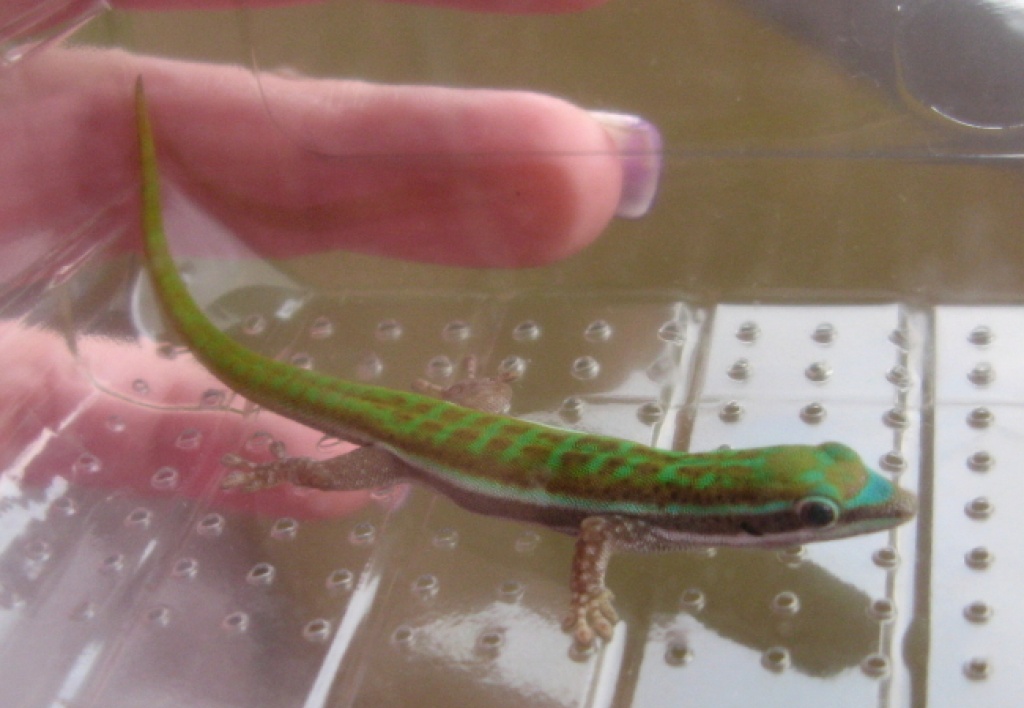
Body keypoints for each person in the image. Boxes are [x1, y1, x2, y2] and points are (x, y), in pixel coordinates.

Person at [0, 0, 662, 516]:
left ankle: (300, 465)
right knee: (339, 468)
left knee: (353, 460)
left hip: (425, 432)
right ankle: (293, 468)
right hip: (410, 440)